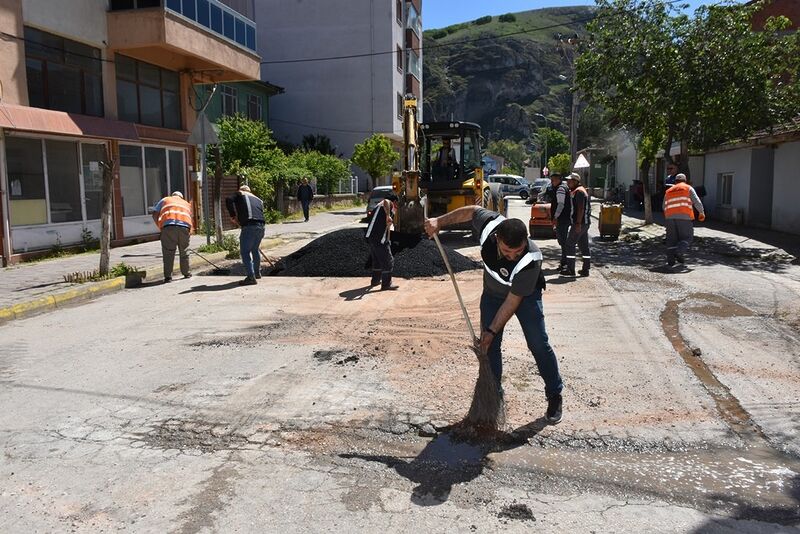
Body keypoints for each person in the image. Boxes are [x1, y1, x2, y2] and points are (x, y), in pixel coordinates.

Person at [424, 206, 564, 424]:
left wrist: (490, 330)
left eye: (517, 252)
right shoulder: (489, 225)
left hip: (524, 296)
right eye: (508, 251)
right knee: (490, 348)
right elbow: (471, 212)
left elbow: (512, 301)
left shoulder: (531, 259)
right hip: (492, 293)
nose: (512, 257)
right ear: (497, 238)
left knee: (537, 342)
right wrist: (439, 221)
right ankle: (493, 396)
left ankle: (554, 394)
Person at [225, 185, 266, 286]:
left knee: (245, 252)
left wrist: (233, 215)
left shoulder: (240, 193)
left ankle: (251, 277)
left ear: (241, 190)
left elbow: (228, 199)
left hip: (249, 226)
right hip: (261, 226)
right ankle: (257, 273)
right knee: (255, 249)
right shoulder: (258, 199)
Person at [663, 173, 705, 267]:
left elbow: (664, 206)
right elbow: (697, 201)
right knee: (687, 238)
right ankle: (679, 252)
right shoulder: (688, 188)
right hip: (684, 217)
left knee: (671, 240)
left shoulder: (669, 191)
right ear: (685, 181)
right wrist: (701, 212)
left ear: (675, 181)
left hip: (670, 218)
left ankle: (670, 261)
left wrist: (668, 216)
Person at [152, 191, 193, 283]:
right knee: (184, 251)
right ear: (181, 197)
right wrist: (190, 231)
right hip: (185, 228)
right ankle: (186, 273)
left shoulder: (165, 200)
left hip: (168, 227)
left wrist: (160, 226)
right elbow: (190, 217)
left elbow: (154, 214)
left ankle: (168, 277)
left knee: (168, 253)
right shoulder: (186, 203)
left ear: (173, 195)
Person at [364, 193, 399, 291]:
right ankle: (386, 284)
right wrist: (388, 216)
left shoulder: (377, 207)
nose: (396, 206)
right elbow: (386, 201)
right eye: (397, 204)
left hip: (371, 237)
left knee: (377, 261)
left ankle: (375, 280)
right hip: (379, 238)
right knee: (388, 261)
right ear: (395, 201)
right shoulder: (388, 203)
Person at [562, 172, 591, 277]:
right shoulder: (579, 190)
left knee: (569, 244)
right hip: (585, 223)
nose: (567, 182)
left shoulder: (579, 192)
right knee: (584, 246)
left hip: (580, 223)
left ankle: (570, 269)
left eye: (569, 181)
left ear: (575, 181)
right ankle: (586, 269)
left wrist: (578, 223)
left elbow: (580, 208)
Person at [548, 172, 572, 271]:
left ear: (558, 179)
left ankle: (565, 263)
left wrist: (555, 217)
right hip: (564, 218)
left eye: (553, 180)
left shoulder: (560, 189)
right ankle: (564, 262)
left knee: (563, 241)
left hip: (562, 219)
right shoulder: (563, 187)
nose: (552, 182)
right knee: (562, 241)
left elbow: (561, 204)